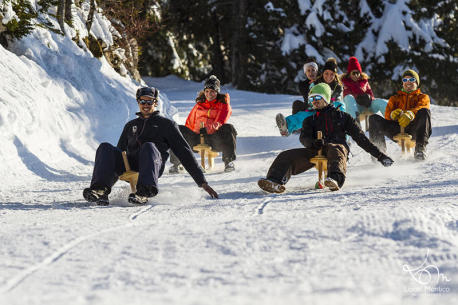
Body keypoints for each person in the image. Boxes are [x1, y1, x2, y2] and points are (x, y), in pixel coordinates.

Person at [83, 86, 218, 205]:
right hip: (131, 164)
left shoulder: (167, 125)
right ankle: (100, 190)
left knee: (148, 146)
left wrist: (202, 182)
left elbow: (184, 152)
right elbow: (118, 153)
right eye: (142, 101)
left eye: (150, 101)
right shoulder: (130, 126)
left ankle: (144, 193)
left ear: (155, 103)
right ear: (138, 102)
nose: (146, 104)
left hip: (152, 164)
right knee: (105, 147)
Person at [258, 83, 394, 193]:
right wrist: (312, 142)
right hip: (316, 149)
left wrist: (380, 156)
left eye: (317, 98)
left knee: (334, 148)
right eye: (312, 99)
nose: (314, 102)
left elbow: (361, 138)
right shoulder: (310, 119)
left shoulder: (343, 117)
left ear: (326, 98)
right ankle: (275, 181)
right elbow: (304, 138)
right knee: (286, 155)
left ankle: (334, 179)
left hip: (337, 150)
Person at [169, 75, 237, 173]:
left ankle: (228, 162)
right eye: (207, 91)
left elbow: (220, 121)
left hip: (214, 139)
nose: (209, 94)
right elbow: (189, 122)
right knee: (177, 129)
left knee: (229, 128)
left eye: (212, 91)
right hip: (197, 137)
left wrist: (207, 129)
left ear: (217, 92)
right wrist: (188, 134)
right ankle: (177, 164)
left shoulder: (223, 103)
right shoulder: (199, 104)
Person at [368, 69, 431, 160]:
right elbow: (387, 113)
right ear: (402, 83)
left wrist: (411, 114)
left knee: (425, 112)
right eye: (405, 80)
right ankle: (378, 152)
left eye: (411, 80)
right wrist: (392, 115)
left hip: (415, 129)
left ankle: (420, 149)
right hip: (397, 128)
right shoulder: (395, 98)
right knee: (373, 118)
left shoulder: (423, 97)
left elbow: (422, 107)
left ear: (417, 83)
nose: (408, 82)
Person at [276, 58, 345, 136]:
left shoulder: (337, 87)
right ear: (323, 73)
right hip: (318, 109)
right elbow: (310, 100)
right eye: (326, 73)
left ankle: (343, 135)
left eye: (332, 74)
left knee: (340, 111)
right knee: (304, 115)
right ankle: (286, 126)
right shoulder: (315, 84)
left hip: (333, 110)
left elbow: (337, 101)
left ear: (335, 75)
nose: (329, 76)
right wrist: (312, 105)